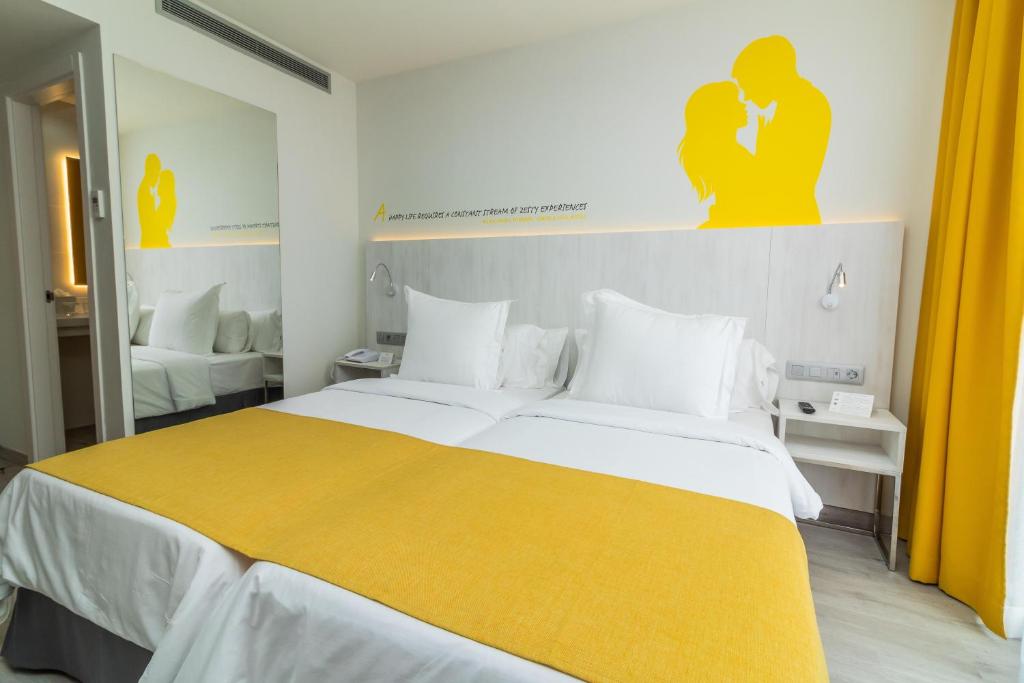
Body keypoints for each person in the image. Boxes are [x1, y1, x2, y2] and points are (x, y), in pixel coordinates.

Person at [732, 35, 831, 225]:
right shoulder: (797, 102)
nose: (746, 96)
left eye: (748, 83)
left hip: (793, 222)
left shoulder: (805, 103)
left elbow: (782, 178)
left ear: (767, 74)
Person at [677, 81, 760, 228]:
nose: (743, 105)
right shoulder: (728, 155)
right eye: (736, 102)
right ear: (722, 111)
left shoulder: (732, 151)